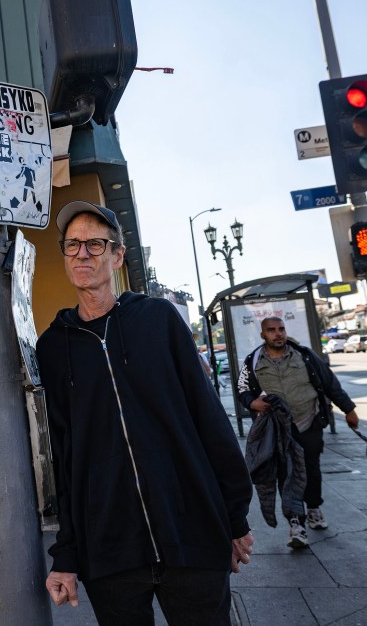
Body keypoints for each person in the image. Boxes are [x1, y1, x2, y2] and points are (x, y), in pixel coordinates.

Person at [36, 200, 254, 625]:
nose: (82, 254)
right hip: (110, 551)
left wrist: (233, 517)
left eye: (96, 244)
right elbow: (63, 456)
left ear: (117, 257)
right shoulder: (52, 348)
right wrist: (66, 554)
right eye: (73, 245)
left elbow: (208, 417)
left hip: (190, 532)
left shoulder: (158, 319)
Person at [235, 316, 358, 548]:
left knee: (310, 469)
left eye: (281, 329)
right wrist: (252, 403)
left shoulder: (306, 356)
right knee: (286, 473)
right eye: (271, 330)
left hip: (308, 423)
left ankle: (313, 507)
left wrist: (349, 409)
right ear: (263, 335)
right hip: (277, 429)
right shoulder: (252, 361)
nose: (278, 334)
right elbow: (242, 388)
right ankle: (295, 522)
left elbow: (330, 383)